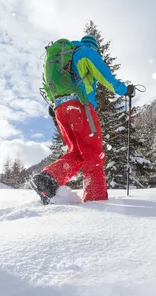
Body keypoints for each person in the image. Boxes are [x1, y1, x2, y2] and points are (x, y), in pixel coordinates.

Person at [32, 34, 135, 203]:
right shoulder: (87, 52)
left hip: (59, 108)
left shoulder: (60, 58)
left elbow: (46, 85)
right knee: (93, 153)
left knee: (78, 153)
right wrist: (125, 90)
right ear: (95, 47)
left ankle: (47, 180)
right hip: (80, 106)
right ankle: (96, 200)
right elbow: (107, 78)